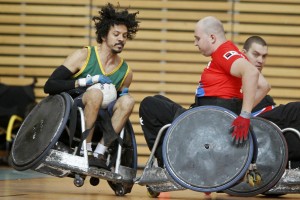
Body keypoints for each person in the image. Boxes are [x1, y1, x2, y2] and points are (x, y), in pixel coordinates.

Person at [139, 16, 270, 166]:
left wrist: (244, 115)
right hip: (206, 114)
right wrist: (238, 113)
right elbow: (264, 85)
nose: (195, 43)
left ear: (212, 38)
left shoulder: (224, 53)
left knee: (148, 105)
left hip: (206, 120)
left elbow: (252, 74)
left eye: (198, 38)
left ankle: (167, 165)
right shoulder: (232, 52)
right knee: (158, 100)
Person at [43, 3, 139, 169]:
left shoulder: (126, 72)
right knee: (95, 93)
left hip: (102, 121)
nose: (121, 39)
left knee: (128, 101)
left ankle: (99, 152)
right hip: (73, 115)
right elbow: (50, 85)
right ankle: (84, 150)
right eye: (116, 34)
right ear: (103, 36)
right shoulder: (84, 56)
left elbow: (117, 103)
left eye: (124, 35)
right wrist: (86, 81)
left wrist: (123, 97)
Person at [242, 36, 300, 163]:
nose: (260, 60)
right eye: (256, 54)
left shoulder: (263, 92)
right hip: (251, 125)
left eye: (264, 56)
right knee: (295, 110)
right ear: (243, 54)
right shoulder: (235, 79)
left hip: (272, 129)